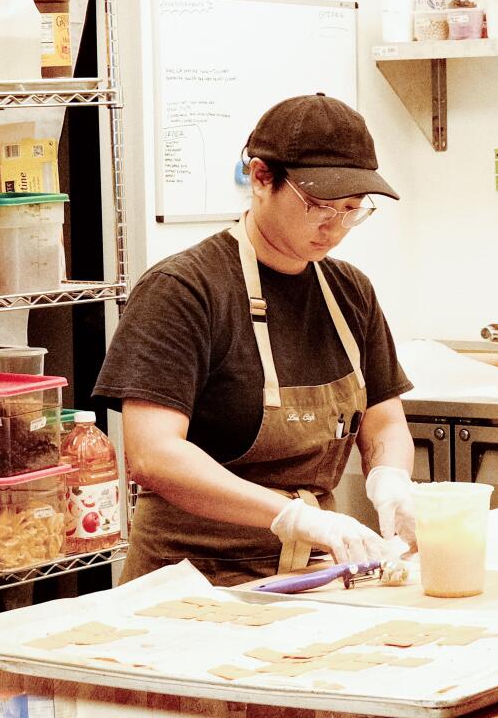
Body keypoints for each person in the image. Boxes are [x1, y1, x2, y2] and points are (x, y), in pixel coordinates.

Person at [94, 94, 417, 587]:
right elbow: (154, 455)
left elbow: (384, 421)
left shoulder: (350, 291)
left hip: (313, 577)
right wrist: (292, 516)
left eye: (352, 210)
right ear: (262, 178)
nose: (334, 227)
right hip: (193, 582)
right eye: (319, 206)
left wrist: (391, 481)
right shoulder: (184, 289)